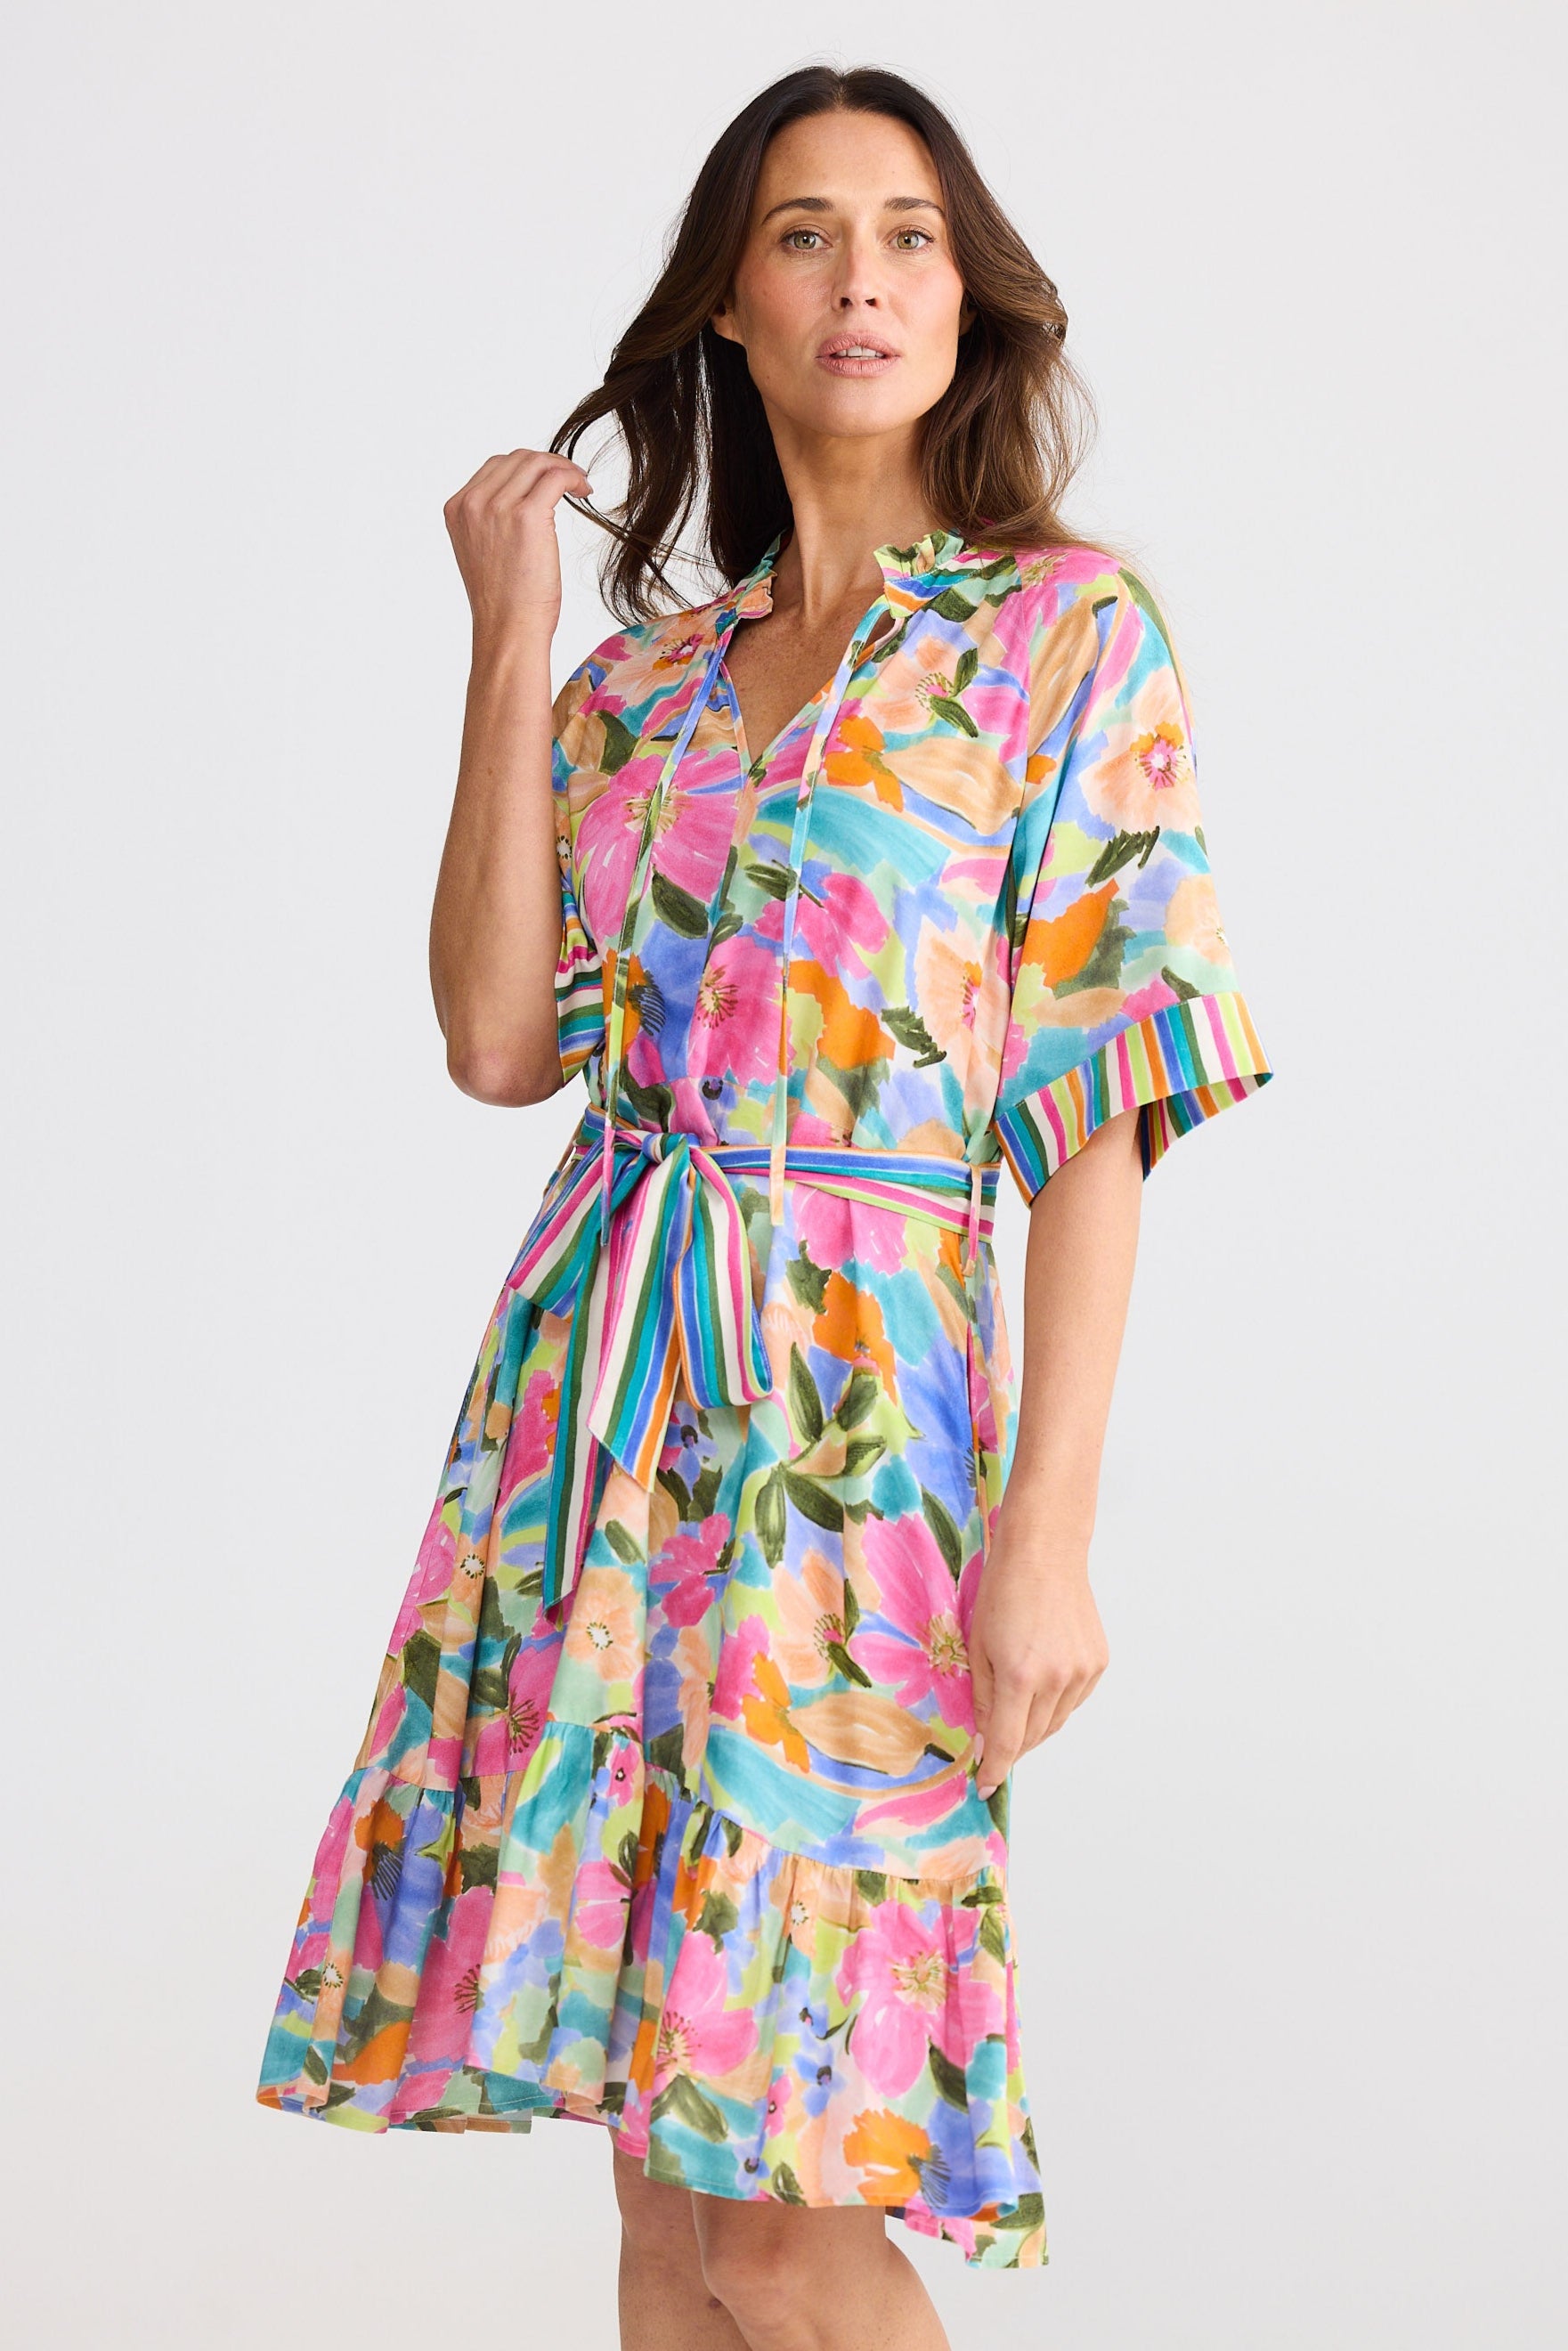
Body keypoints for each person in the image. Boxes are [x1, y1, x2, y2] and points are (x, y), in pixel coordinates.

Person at [256, 62, 1274, 2351]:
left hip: (855, 1453)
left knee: (784, 2213)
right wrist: (511, 634)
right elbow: (506, 1042)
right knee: (658, 2197)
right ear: (729, 296)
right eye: (807, 234)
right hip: (594, 1437)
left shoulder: (1057, 641)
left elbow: (1096, 1111)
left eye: (909, 232)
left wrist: (1045, 1533)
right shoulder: (647, 687)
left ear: (966, 284)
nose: (863, 280)